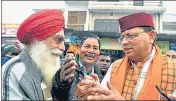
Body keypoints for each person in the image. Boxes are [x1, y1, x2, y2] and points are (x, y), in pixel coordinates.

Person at [78, 12, 176, 100]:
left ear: (151, 36)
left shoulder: (173, 68)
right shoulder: (115, 66)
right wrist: (94, 92)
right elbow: (104, 96)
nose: (124, 42)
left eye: (131, 36)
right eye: (122, 37)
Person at [2, 9, 65, 100]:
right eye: (58, 40)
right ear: (37, 41)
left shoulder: (49, 67)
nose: (63, 48)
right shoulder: (13, 72)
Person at [51, 34, 103, 100]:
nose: (91, 51)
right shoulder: (67, 69)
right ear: (79, 48)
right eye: (87, 46)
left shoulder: (101, 75)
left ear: (99, 52)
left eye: (95, 48)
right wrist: (62, 83)